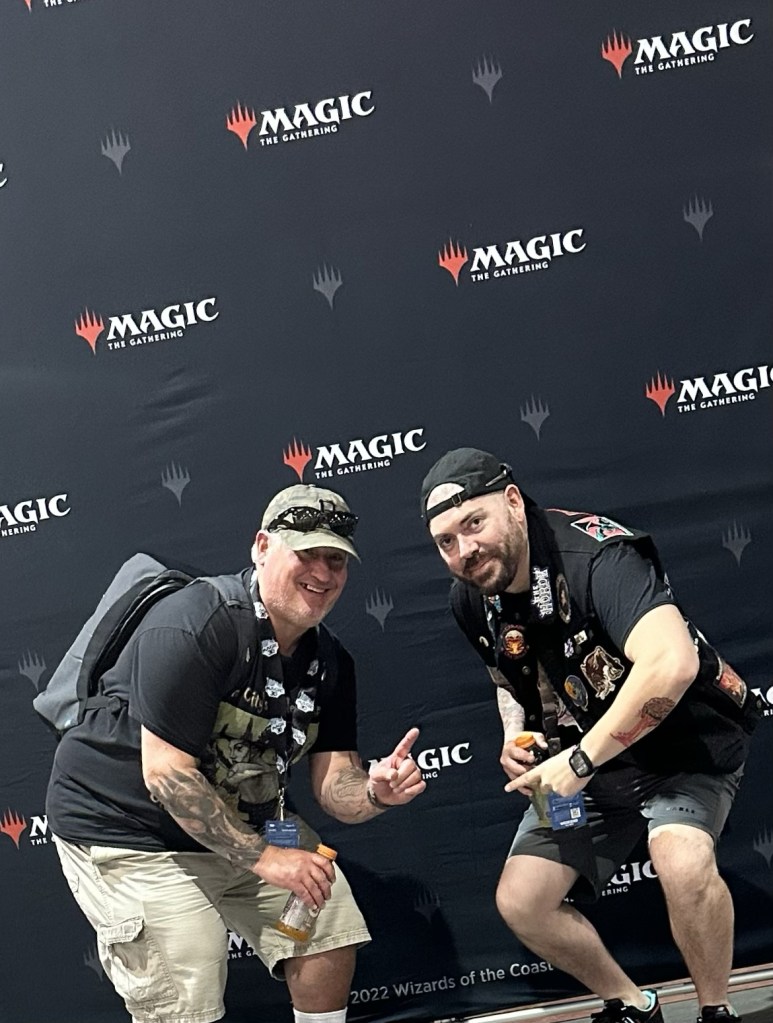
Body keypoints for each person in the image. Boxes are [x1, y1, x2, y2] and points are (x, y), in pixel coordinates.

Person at [47, 483, 425, 1023]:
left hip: (239, 820)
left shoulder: (330, 661)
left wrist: (375, 791)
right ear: (262, 547)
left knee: (326, 918)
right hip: (128, 828)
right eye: (307, 553)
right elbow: (166, 775)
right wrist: (269, 859)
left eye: (336, 559)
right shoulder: (196, 622)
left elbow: (334, 785)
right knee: (189, 972)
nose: (322, 573)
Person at [420, 447, 760, 1023]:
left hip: (682, 745)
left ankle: (715, 1011)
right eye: (446, 541)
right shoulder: (473, 595)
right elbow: (506, 675)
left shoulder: (596, 556)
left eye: (474, 523)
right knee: (522, 901)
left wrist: (579, 760)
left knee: (680, 863)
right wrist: (515, 731)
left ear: (512, 502)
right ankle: (634, 1004)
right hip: (592, 764)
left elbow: (672, 663)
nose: (464, 550)